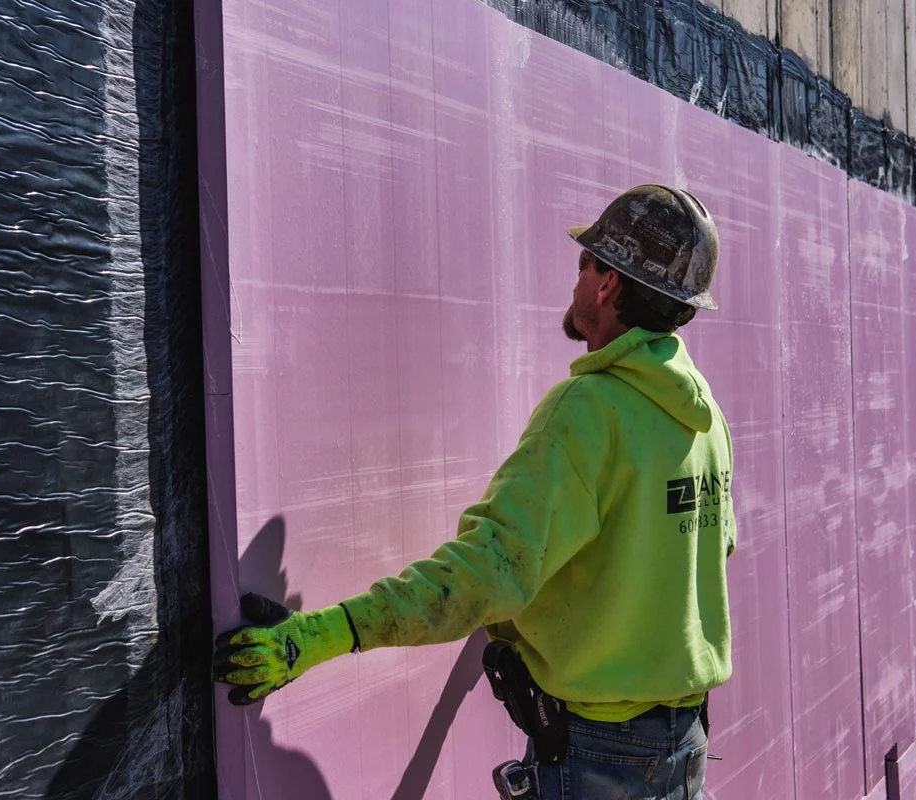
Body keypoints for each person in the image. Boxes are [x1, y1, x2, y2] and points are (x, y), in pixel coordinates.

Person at [213, 184, 736, 799]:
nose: (574, 284)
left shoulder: (587, 411)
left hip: (604, 759)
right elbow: (696, 557)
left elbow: (486, 573)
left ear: (608, 286)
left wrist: (325, 634)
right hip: (682, 748)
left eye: (584, 264)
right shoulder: (703, 415)